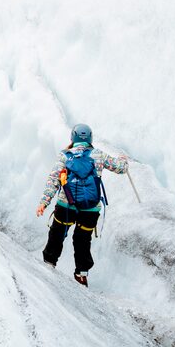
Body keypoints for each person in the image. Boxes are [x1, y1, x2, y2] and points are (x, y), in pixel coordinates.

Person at [35, 123, 129, 287]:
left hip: (66, 206)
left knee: (57, 232)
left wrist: (44, 202)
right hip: (90, 209)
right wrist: (123, 159)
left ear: (73, 138)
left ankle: (49, 263)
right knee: (83, 239)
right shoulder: (98, 154)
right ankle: (81, 274)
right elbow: (121, 168)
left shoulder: (65, 156)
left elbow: (53, 181)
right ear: (90, 138)